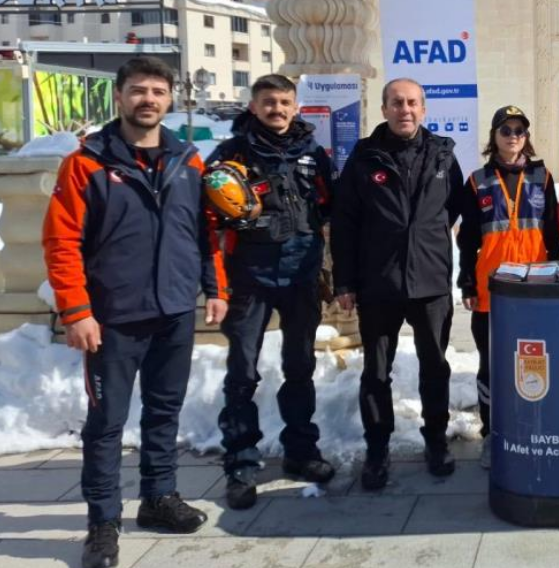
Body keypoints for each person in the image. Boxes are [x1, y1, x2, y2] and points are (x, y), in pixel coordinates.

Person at [42, 57, 228, 568]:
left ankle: (158, 497)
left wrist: (215, 288)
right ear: (120, 97)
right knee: (106, 423)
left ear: (170, 99)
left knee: (165, 411)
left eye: (158, 91)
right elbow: (61, 242)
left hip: (174, 309)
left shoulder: (188, 161)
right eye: (139, 90)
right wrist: (77, 310)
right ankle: (103, 523)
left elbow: (204, 232)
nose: (149, 100)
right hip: (113, 317)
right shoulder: (86, 164)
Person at [207, 74, 337, 510]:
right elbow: (209, 223)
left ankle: (301, 450)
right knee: (242, 373)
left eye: (284, 102)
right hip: (250, 279)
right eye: (268, 102)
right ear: (254, 105)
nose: (276, 109)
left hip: (301, 276)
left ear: (296, 107)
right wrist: (215, 286)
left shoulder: (314, 154)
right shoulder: (230, 154)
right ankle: (241, 462)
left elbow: (331, 210)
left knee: (299, 366)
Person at [331, 78, 465, 490]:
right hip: (379, 283)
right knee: (376, 372)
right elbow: (345, 223)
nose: (404, 110)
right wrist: (345, 281)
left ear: (423, 109)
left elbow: (453, 209)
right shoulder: (364, 157)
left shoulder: (443, 156)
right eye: (396, 103)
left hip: (430, 283)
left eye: (411, 103)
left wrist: (425, 242)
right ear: (384, 109)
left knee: (435, 367)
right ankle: (377, 449)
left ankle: (436, 440)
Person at [456, 105, 559, 469]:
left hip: (535, 289)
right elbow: (467, 239)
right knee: (491, 366)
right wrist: (466, 281)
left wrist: (557, 275)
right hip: (492, 291)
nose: (513, 136)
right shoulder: (478, 181)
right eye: (506, 130)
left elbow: (554, 233)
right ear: (494, 136)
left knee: (535, 362)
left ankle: (535, 427)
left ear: (526, 136)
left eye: (519, 130)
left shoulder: (542, 177)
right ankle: (492, 434)